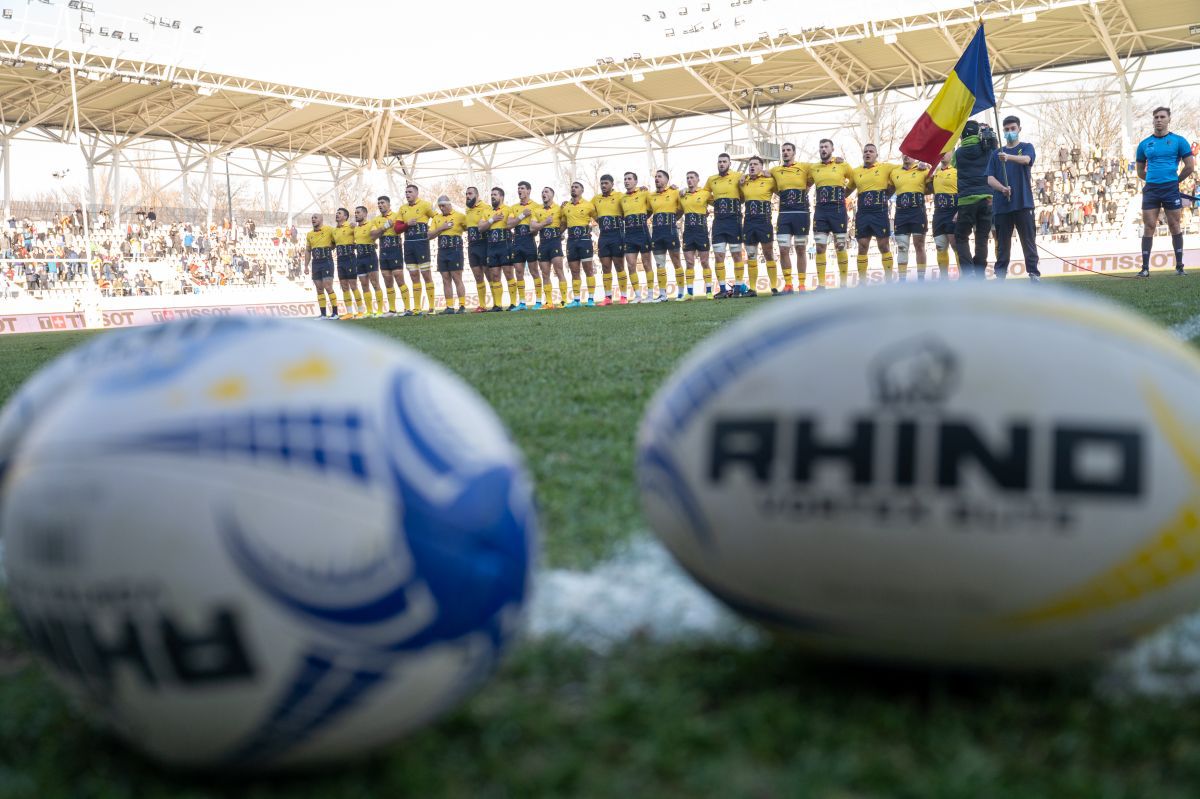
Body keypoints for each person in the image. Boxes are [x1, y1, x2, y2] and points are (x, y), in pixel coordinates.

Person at [1135, 106, 1194, 277]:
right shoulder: (1144, 144)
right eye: (1156, 117)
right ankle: (1145, 269)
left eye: (1162, 117)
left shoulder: (1179, 141)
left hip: (1171, 188)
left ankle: (1180, 267)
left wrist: (1175, 181)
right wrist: (1154, 180)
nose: (1159, 120)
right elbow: (1140, 172)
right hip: (1151, 189)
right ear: (1153, 120)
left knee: (1174, 225)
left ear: (1169, 119)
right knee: (1149, 226)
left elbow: (1190, 166)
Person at [987, 115, 1041, 281]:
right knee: (1002, 244)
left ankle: (1033, 273)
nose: (1010, 132)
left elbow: (1027, 160)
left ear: (1019, 129)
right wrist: (1002, 188)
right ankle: (1001, 275)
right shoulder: (995, 154)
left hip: (1023, 203)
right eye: (1007, 129)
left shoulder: (1026, 147)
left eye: (1013, 129)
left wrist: (1009, 157)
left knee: (1028, 241)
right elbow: (989, 178)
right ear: (1002, 131)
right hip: (1002, 205)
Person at [952, 120, 998, 278]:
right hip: (987, 198)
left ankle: (968, 272)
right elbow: (995, 152)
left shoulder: (958, 153)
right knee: (982, 237)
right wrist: (988, 134)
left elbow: (953, 165)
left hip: (966, 201)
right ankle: (979, 272)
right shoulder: (986, 148)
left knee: (961, 236)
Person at [810, 138, 856, 288]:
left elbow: (855, 179)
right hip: (821, 212)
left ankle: (843, 284)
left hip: (838, 211)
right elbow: (803, 181)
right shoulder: (814, 167)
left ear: (832, 149)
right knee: (819, 247)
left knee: (840, 245)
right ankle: (821, 285)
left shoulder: (842, 164)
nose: (823, 149)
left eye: (826, 147)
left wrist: (846, 193)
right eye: (821, 147)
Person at [770, 142, 812, 293]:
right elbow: (763, 176)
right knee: (783, 250)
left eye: (788, 150)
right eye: (783, 150)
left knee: (801, 249)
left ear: (794, 152)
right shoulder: (775, 170)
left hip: (801, 214)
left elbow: (818, 171)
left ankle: (801, 284)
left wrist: (807, 187)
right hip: (784, 215)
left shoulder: (804, 167)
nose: (785, 153)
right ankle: (788, 284)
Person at [852, 144, 897, 285]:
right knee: (862, 246)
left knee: (883, 246)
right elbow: (847, 189)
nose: (868, 153)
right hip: (863, 213)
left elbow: (902, 173)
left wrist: (890, 191)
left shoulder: (886, 167)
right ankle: (862, 282)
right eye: (865, 151)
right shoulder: (856, 171)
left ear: (876, 154)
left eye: (871, 151)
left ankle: (889, 280)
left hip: (880, 212)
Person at [704, 153, 745, 298]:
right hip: (719, 222)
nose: (721, 164)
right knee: (719, 255)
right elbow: (703, 196)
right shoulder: (711, 180)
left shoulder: (738, 176)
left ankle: (738, 288)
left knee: (736, 255)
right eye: (719, 162)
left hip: (734, 220)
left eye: (724, 162)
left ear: (729, 164)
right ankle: (722, 289)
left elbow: (745, 194)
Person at [890, 155, 930, 281]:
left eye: (910, 154)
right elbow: (888, 191)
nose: (906, 156)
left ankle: (921, 280)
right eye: (904, 153)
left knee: (919, 245)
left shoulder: (923, 170)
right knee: (902, 247)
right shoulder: (894, 172)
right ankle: (902, 280)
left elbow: (933, 187)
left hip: (917, 211)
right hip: (901, 213)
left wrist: (928, 166)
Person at [740, 156, 777, 294]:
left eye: (755, 164)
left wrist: (771, 172)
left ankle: (774, 286)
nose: (752, 166)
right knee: (750, 255)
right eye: (750, 164)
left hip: (764, 221)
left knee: (768, 253)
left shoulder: (770, 180)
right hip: (749, 221)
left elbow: (781, 183)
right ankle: (752, 288)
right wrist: (743, 176)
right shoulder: (743, 182)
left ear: (761, 167)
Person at [398, 185, 436, 313]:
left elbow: (436, 218)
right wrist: (406, 224)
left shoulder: (425, 205)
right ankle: (417, 308)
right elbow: (397, 228)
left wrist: (431, 230)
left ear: (416, 193)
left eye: (410, 192)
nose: (407, 194)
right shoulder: (402, 208)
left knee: (426, 274)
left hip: (421, 244)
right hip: (408, 244)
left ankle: (431, 307)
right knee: (414, 275)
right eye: (406, 192)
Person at [370, 195, 409, 316]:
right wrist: (384, 227)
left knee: (399, 277)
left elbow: (400, 228)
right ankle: (392, 310)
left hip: (395, 249)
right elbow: (373, 235)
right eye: (379, 203)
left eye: (382, 203)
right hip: (383, 251)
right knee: (387, 280)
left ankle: (407, 308)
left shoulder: (397, 215)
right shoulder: (375, 219)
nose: (380, 205)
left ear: (388, 204)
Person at [620, 172, 655, 302]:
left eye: (629, 179)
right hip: (629, 233)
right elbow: (621, 215)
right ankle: (638, 296)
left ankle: (650, 295)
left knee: (647, 264)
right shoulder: (621, 198)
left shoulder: (644, 193)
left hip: (642, 232)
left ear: (636, 181)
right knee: (630, 265)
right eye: (625, 179)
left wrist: (644, 218)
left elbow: (651, 209)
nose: (626, 181)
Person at [649, 170, 683, 301]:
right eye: (655, 177)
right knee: (659, 264)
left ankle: (680, 293)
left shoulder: (675, 192)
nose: (656, 179)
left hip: (670, 231)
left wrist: (672, 220)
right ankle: (663, 295)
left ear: (666, 180)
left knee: (676, 262)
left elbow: (681, 210)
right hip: (657, 232)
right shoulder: (651, 196)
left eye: (659, 176)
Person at [591, 175, 626, 305]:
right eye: (602, 183)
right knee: (605, 266)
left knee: (619, 265)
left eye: (606, 183)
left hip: (617, 234)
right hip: (604, 235)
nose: (603, 185)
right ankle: (608, 297)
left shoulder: (620, 196)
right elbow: (586, 208)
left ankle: (623, 296)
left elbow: (631, 199)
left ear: (612, 184)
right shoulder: (596, 199)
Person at [562, 181, 597, 307]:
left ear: (582, 190)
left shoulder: (589, 205)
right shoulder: (565, 207)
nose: (573, 189)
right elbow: (563, 224)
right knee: (574, 271)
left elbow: (597, 218)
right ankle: (576, 300)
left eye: (576, 187)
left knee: (589, 270)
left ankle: (591, 299)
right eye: (572, 187)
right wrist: (557, 235)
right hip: (571, 241)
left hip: (585, 240)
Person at [531, 187, 567, 308]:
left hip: (555, 243)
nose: (543, 194)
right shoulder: (537, 210)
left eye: (546, 192)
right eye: (542, 192)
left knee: (559, 270)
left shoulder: (559, 208)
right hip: (543, 243)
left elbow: (565, 222)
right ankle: (549, 302)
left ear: (552, 194)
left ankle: (564, 300)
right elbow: (532, 227)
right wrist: (545, 223)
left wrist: (559, 233)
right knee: (545, 273)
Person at [430, 195, 467, 314]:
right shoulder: (436, 218)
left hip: (455, 250)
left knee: (457, 278)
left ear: (449, 204)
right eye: (440, 206)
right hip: (442, 250)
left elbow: (469, 228)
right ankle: (449, 307)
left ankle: (462, 306)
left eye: (443, 205)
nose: (441, 208)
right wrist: (442, 227)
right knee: (445, 279)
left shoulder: (460, 216)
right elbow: (429, 235)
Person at [680, 170, 713, 299]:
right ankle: (689, 293)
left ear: (698, 179)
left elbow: (716, 202)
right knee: (689, 263)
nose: (689, 180)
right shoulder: (682, 194)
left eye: (692, 177)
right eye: (687, 178)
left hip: (701, 231)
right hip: (688, 231)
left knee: (704, 262)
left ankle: (709, 291)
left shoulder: (705, 193)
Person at [480, 187, 513, 311]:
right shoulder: (487, 211)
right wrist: (492, 219)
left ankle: (513, 303)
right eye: (491, 194)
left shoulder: (508, 209)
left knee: (509, 273)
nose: (492, 196)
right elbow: (481, 228)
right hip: (491, 246)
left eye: (495, 194)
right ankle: (497, 305)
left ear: (501, 197)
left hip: (505, 244)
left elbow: (510, 224)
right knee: (494, 275)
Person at [508, 181, 539, 309]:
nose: (519, 190)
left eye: (522, 188)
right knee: (519, 272)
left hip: (529, 240)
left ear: (529, 190)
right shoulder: (513, 207)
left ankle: (539, 301)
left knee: (534, 271)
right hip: (517, 241)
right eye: (518, 188)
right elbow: (509, 224)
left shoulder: (536, 206)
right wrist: (522, 215)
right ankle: (522, 302)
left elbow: (536, 228)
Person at [463, 186, 494, 312]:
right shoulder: (467, 210)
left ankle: (497, 303)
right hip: (472, 245)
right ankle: (482, 305)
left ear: (477, 195)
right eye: (466, 194)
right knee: (477, 275)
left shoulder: (486, 207)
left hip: (484, 243)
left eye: (470, 193)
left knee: (489, 274)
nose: (468, 196)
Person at [929, 152, 959, 278]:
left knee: (955, 244)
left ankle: (964, 278)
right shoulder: (934, 174)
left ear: (951, 154)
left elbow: (963, 192)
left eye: (946, 152)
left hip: (952, 211)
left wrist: (959, 212)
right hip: (938, 213)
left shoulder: (956, 172)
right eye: (941, 151)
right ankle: (944, 279)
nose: (942, 154)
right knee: (940, 246)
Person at [304, 212, 339, 318]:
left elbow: (337, 241)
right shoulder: (309, 234)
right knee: (319, 289)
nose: (313, 219)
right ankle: (323, 314)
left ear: (321, 219)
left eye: (315, 217)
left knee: (328, 286)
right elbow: (308, 250)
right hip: (315, 263)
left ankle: (335, 313)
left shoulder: (329, 229)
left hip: (326, 261)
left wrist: (331, 247)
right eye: (312, 218)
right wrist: (306, 265)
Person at [352, 205, 382, 317]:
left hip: (370, 256)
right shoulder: (355, 228)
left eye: (358, 212)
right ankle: (369, 311)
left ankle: (379, 310)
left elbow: (375, 235)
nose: (356, 214)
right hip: (359, 257)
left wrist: (374, 242)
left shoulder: (371, 224)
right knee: (364, 285)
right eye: (355, 212)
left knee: (375, 283)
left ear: (365, 214)